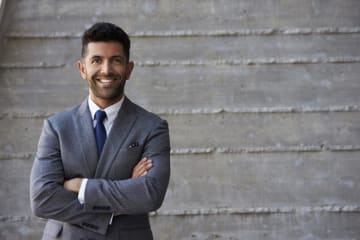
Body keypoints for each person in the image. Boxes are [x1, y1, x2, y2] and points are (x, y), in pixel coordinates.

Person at [30, 22, 171, 239]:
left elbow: (150, 195)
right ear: (82, 69)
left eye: (116, 60)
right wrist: (120, 199)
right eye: (97, 60)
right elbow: (43, 199)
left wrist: (81, 186)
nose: (106, 70)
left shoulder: (152, 127)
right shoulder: (57, 127)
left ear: (129, 69)